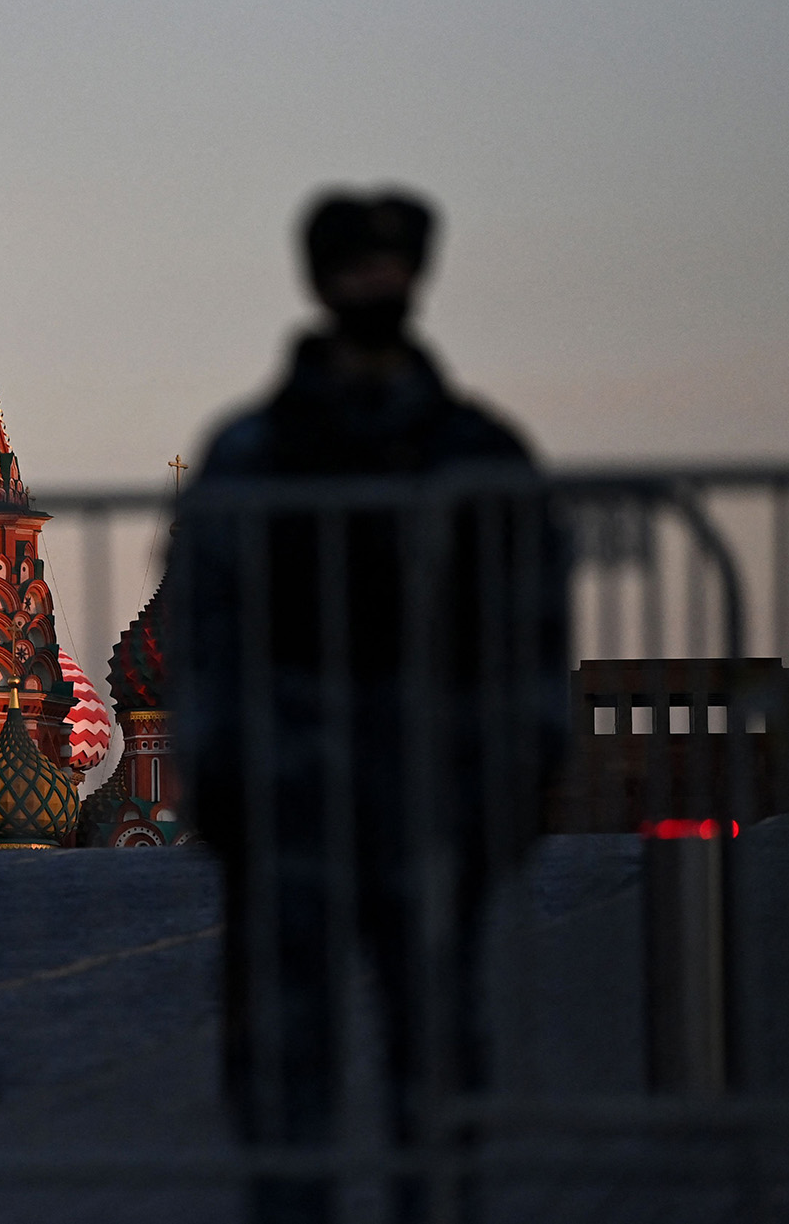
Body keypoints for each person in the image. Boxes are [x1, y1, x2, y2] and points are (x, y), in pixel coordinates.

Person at [173, 191, 569, 1224]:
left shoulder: (475, 451)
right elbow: (205, 625)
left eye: (388, 268)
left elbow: (530, 624)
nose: (372, 288)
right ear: (319, 281)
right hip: (285, 800)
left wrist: (523, 771)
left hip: (430, 795)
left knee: (435, 1052)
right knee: (281, 1058)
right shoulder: (251, 454)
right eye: (354, 269)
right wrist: (213, 773)